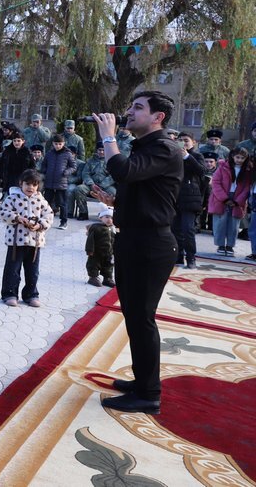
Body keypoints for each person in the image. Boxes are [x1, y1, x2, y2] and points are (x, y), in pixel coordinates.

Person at [91, 90, 183, 414]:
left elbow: (123, 171)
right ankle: (142, 381)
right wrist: (116, 202)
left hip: (151, 245)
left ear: (158, 117)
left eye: (138, 107)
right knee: (133, 316)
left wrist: (108, 136)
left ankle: (149, 394)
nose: (129, 112)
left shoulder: (165, 148)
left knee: (142, 319)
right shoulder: (145, 147)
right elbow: (147, 194)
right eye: (131, 106)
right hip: (134, 240)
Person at [0, 169, 53, 307]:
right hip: (15, 241)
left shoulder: (41, 200)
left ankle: (31, 295)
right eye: (27, 184)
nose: (30, 187)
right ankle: (9, 293)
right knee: (12, 269)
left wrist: (40, 225)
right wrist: (17, 218)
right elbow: (3, 212)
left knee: (32, 271)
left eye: (34, 184)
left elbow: (49, 215)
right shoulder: (12, 198)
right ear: (20, 184)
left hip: (34, 242)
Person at [207, 147, 253, 257]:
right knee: (220, 222)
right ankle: (220, 245)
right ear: (232, 156)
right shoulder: (223, 167)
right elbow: (216, 183)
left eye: (242, 158)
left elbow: (247, 188)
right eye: (238, 157)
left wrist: (238, 201)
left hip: (237, 200)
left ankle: (230, 246)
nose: (239, 160)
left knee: (234, 224)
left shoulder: (247, 171)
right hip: (221, 198)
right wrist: (224, 198)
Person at [172, 132, 206, 268]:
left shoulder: (196, 156)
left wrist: (187, 156)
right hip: (175, 196)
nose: (183, 143)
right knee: (175, 229)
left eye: (186, 140)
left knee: (188, 229)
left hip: (190, 197)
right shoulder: (174, 155)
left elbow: (201, 171)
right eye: (180, 140)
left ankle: (191, 257)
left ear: (194, 142)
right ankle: (178, 256)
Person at [42, 134, 77, 230]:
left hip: (61, 182)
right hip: (49, 182)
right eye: (56, 144)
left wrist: (66, 172)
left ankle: (63, 222)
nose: (58, 146)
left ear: (63, 143)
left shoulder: (68, 154)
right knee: (46, 202)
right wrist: (45, 171)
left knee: (62, 203)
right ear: (53, 144)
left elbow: (73, 166)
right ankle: (44, 220)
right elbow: (44, 165)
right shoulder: (49, 154)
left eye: (60, 144)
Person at [85, 208, 116, 287]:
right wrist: (89, 250)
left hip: (109, 253)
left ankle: (107, 278)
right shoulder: (96, 228)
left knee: (108, 266)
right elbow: (90, 240)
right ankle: (93, 277)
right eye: (107, 217)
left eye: (112, 218)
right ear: (101, 218)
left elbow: (115, 241)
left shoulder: (113, 229)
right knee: (94, 265)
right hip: (96, 253)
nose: (109, 219)